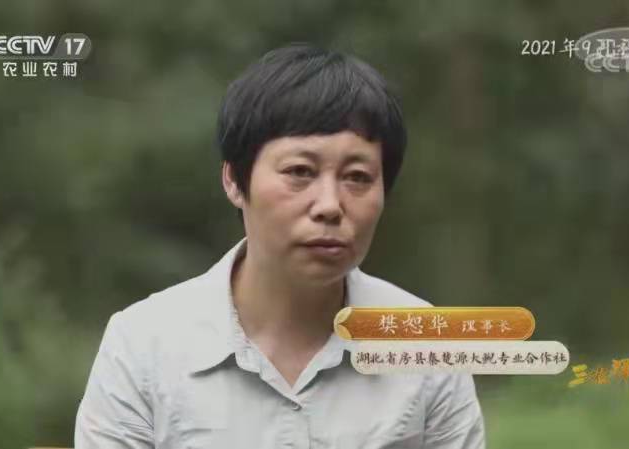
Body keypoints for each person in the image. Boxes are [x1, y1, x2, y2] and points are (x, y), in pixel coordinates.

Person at [74, 43, 485, 449]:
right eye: (300, 171)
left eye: (357, 177)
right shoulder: (143, 346)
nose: (330, 205)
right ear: (234, 181)